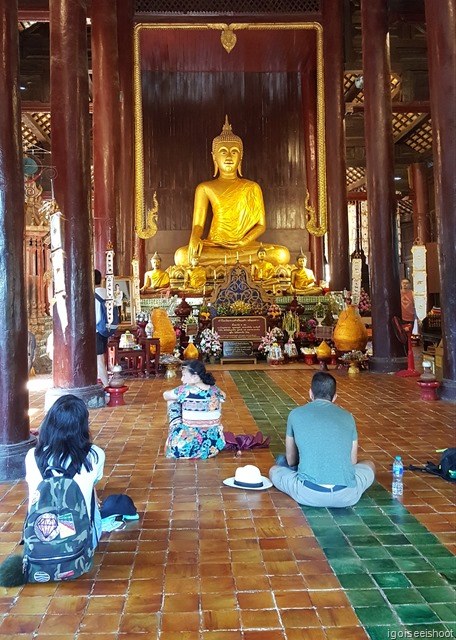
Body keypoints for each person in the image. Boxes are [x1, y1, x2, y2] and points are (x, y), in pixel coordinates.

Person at [174, 116, 290, 267]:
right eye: (223, 152)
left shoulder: (252, 187)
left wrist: (243, 241)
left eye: (234, 152)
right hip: (215, 245)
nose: (229, 156)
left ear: (241, 157)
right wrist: (194, 238)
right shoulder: (205, 188)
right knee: (182, 256)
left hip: (245, 246)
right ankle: (234, 262)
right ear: (214, 157)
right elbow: (198, 225)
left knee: (281, 254)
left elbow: (261, 225)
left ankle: (227, 262)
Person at [269, 372, 375, 507]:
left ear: (310, 393)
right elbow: (352, 461)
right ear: (335, 397)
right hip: (347, 495)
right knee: (369, 464)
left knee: (275, 468)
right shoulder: (348, 416)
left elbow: (291, 460)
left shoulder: (295, 414)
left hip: (308, 493)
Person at [25, 394, 105, 550]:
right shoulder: (95, 455)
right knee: (91, 497)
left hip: (39, 542)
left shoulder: (32, 456)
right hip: (80, 543)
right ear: (83, 426)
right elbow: (93, 483)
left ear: (49, 423)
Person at [163, 359, 226, 459]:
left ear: (195, 376)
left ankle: (172, 438)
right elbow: (224, 395)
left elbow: (165, 395)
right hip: (213, 447)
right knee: (216, 402)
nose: (182, 379)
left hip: (183, 449)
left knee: (173, 402)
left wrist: (182, 392)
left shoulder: (184, 390)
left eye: (184, 375)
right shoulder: (215, 389)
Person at [94, 269, 109, 388]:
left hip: (97, 330)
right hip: (105, 330)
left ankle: (106, 385)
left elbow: (95, 316)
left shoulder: (94, 295)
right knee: (101, 358)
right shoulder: (105, 292)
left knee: (99, 360)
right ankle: (102, 383)